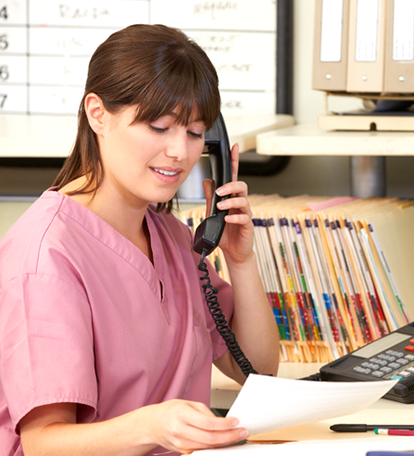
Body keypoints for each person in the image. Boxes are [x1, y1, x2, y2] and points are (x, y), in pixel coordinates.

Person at [0, 24, 280, 455]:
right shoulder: (46, 256)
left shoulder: (173, 237)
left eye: (193, 133)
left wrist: (241, 261)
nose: (179, 153)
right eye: (158, 126)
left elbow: (257, 372)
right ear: (98, 114)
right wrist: (152, 426)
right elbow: (44, 445)